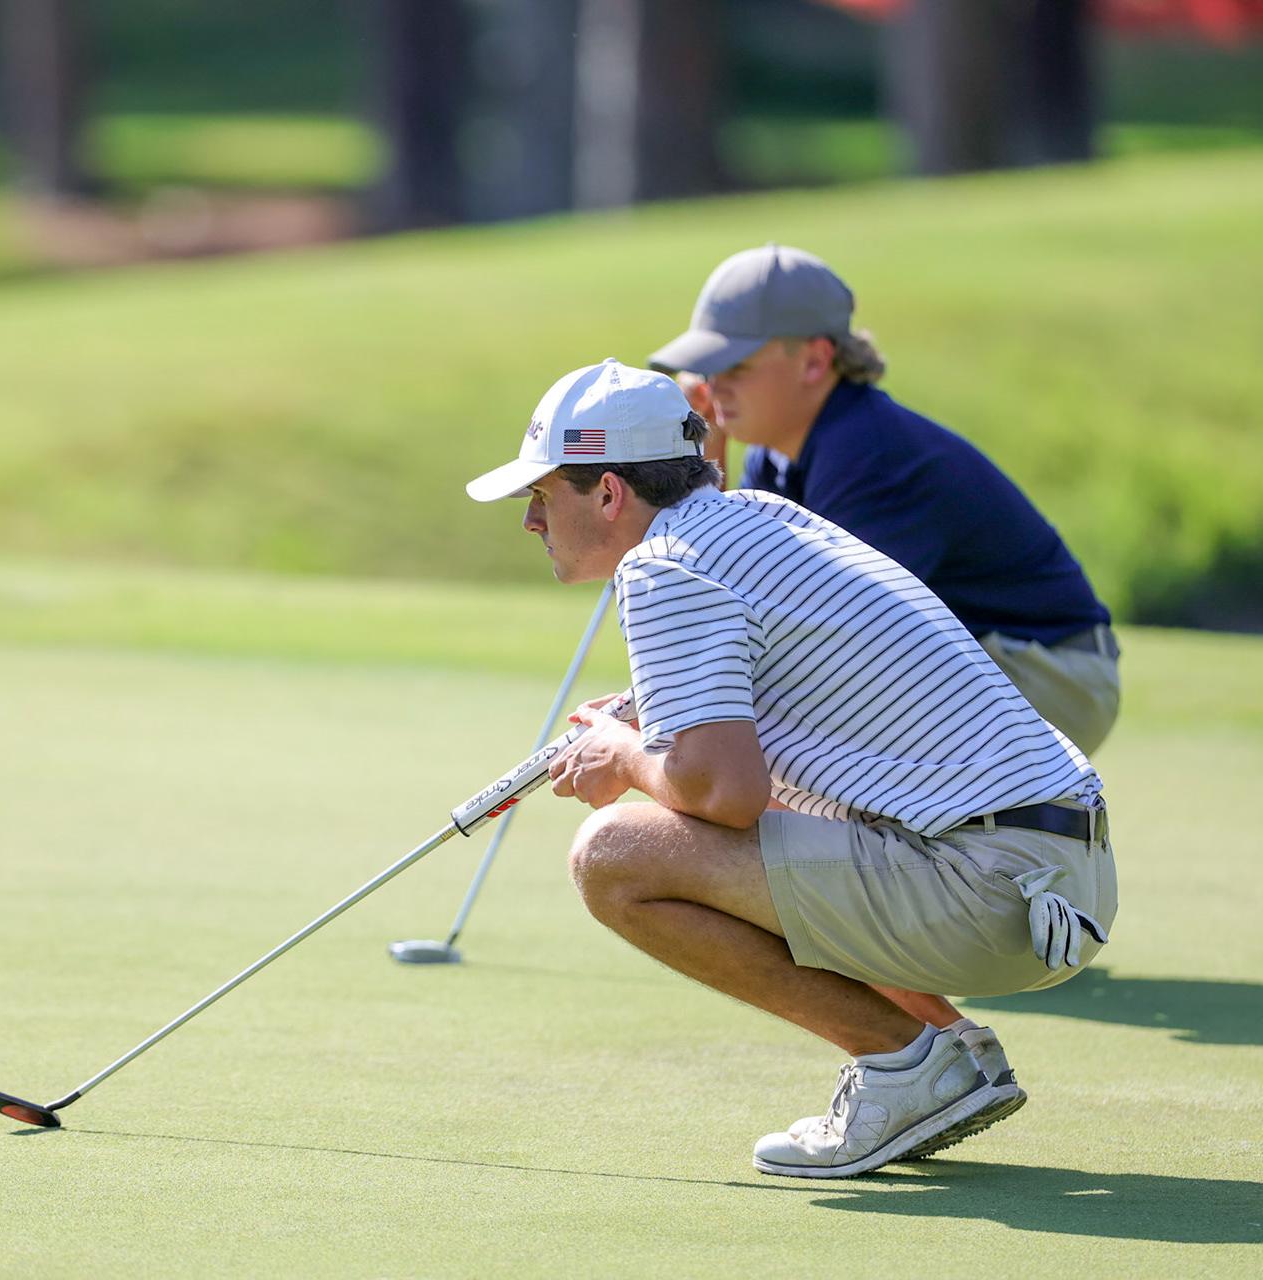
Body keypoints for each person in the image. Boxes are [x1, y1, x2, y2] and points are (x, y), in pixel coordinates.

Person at [465, 359, 1117, 1177]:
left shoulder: (661, 565)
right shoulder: (757, 518)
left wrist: (626, 757)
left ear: (607, 493)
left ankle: (909, 1065)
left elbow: (722, 794)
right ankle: (950, 1053)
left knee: (615, 856)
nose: (531, 519)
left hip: (988, 885)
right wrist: (650, 726)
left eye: (543, 493)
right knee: (744, 821)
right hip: (1056, 875)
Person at [647, 245, 1120, 756]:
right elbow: (728, 578)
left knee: (793, 716)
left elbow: (830, 636)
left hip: (1050, 673)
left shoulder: (867, 455)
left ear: (814, 361)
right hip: (992, 662)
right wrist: (707, 443)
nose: (714, 386)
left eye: (734, 365)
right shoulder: (778, 453)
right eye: (707, 369)